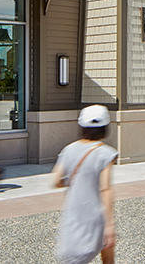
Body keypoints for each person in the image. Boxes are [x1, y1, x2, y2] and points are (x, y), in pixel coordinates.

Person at [52, 105, 118, 264]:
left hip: (74, 212)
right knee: (106, 249)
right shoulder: (106, 153)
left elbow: (56, 180)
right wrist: (109, 224)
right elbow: (105, 189)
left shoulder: (68, 150)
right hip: (95, 213)